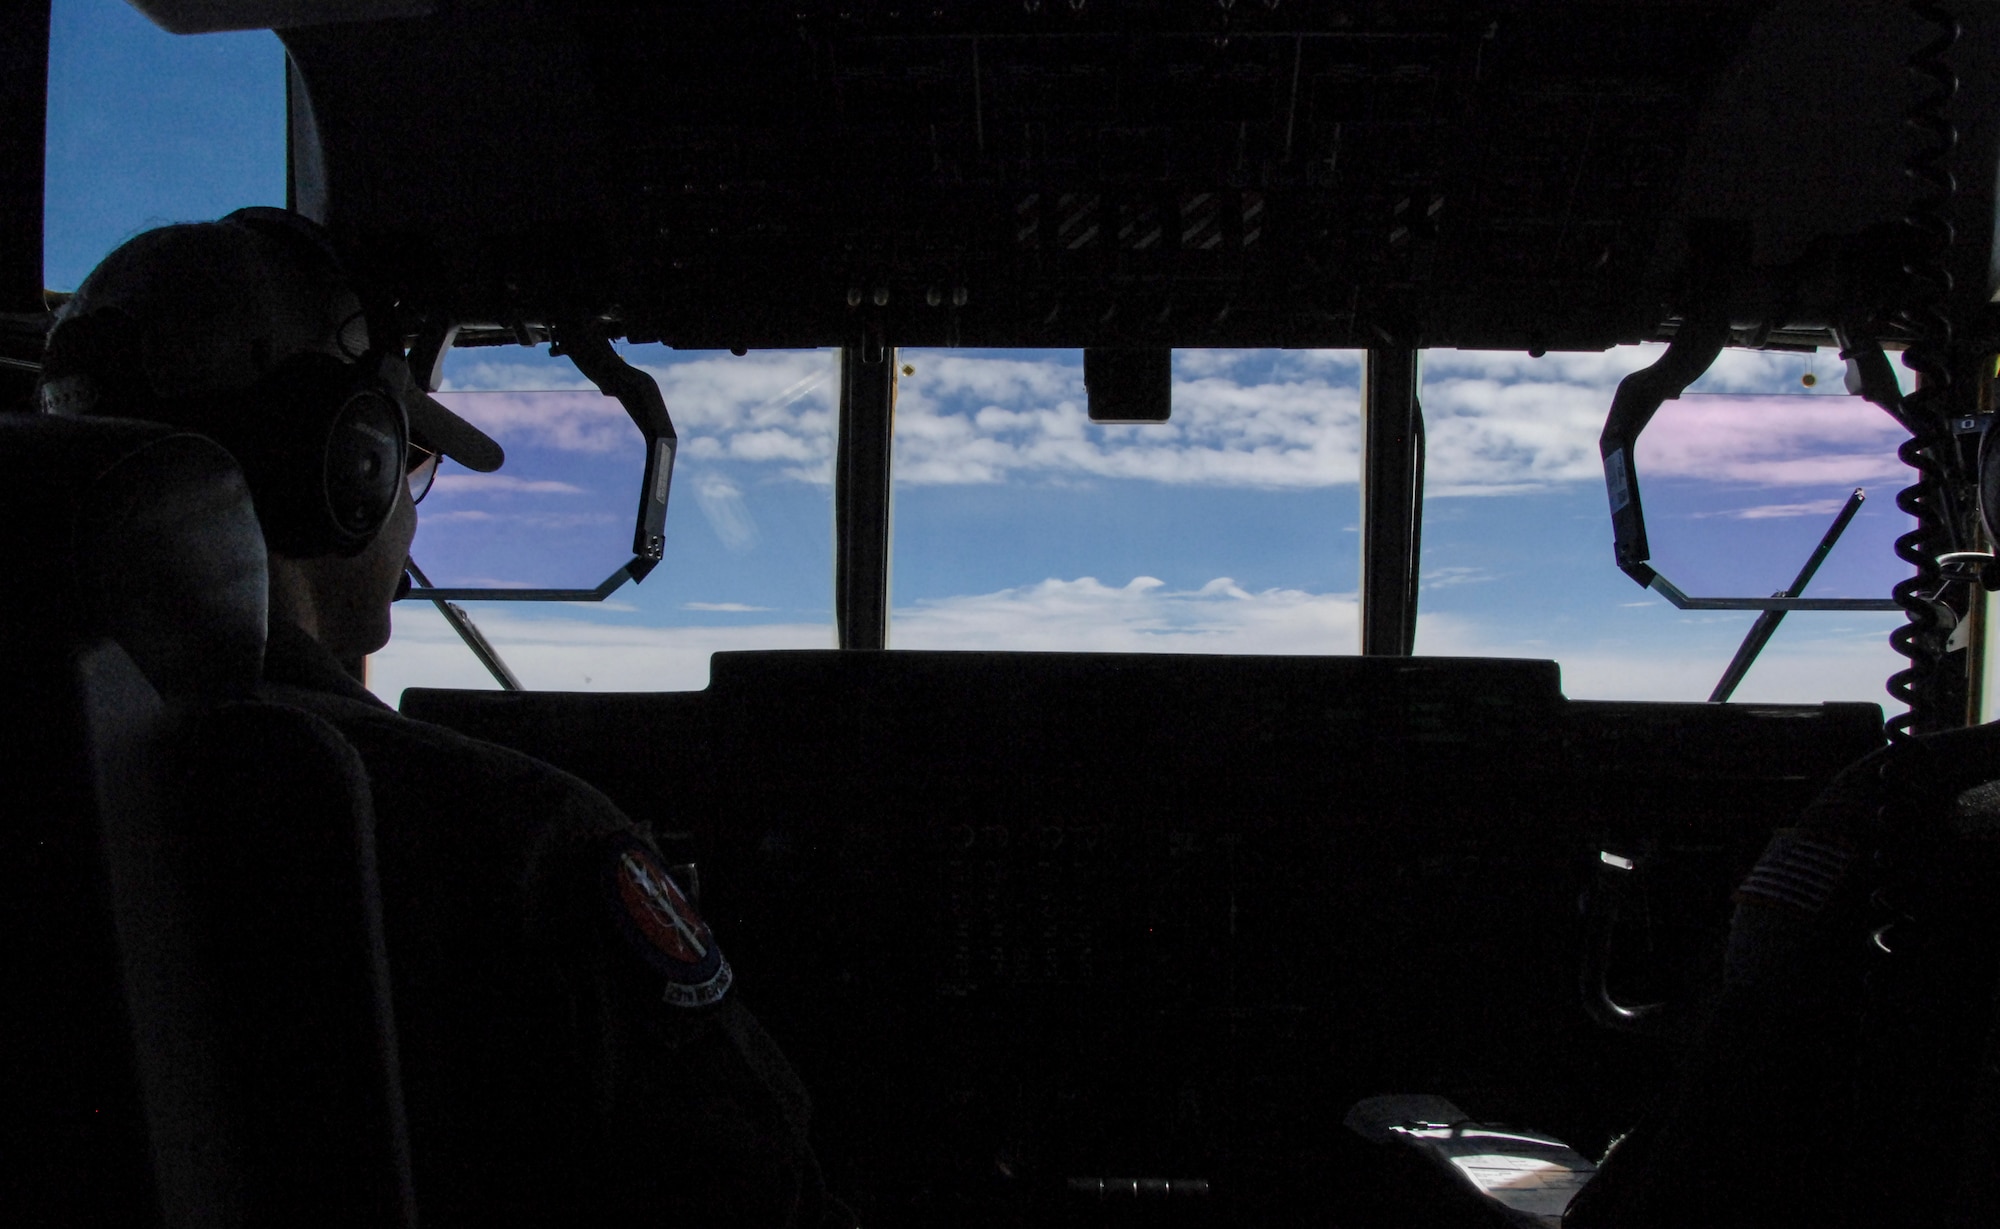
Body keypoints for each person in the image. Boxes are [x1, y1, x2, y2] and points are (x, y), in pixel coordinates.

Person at [37, 209, 841, 1228]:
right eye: (409, 462)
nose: (412, 513)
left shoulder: (58, 771)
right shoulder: (512, 837)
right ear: (350, 464)